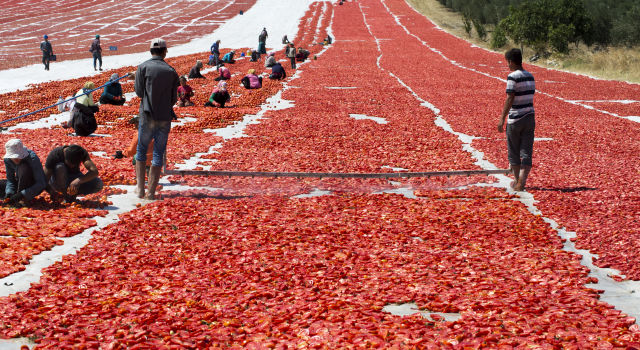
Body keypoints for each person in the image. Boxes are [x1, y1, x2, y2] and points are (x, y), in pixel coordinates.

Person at [134, 38, 179, 200]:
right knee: (158, 153)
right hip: (164, 117)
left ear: (150, 51)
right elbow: (174, 99)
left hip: (146, 115)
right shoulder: (172, 71)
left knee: (141, 150)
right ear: (164, 52)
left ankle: (140, 189)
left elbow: (139, 92)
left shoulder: (142, 67)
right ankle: (151, 193)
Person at [497, 48, 535, 192]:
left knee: (513, 152)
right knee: (526, 152)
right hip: (530, 117)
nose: (507, 65)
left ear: (511, 61)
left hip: (516, 119)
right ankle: (521, 183)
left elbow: (510, 97)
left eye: (507, 62)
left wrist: (502, 118)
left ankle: (518, 181)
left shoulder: (512, 76)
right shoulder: (530, 76)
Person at [0, 140, 46, 207]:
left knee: (23, 166)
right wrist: (9, 192)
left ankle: (25, 199)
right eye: (12, 157)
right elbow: (10, 179)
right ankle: (13, 198)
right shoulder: (8, 159)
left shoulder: (32, 158)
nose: (15, 160)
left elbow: (42, 183)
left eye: (17, 157)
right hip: (19, 183)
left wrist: (22, 194)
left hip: (33, 185)